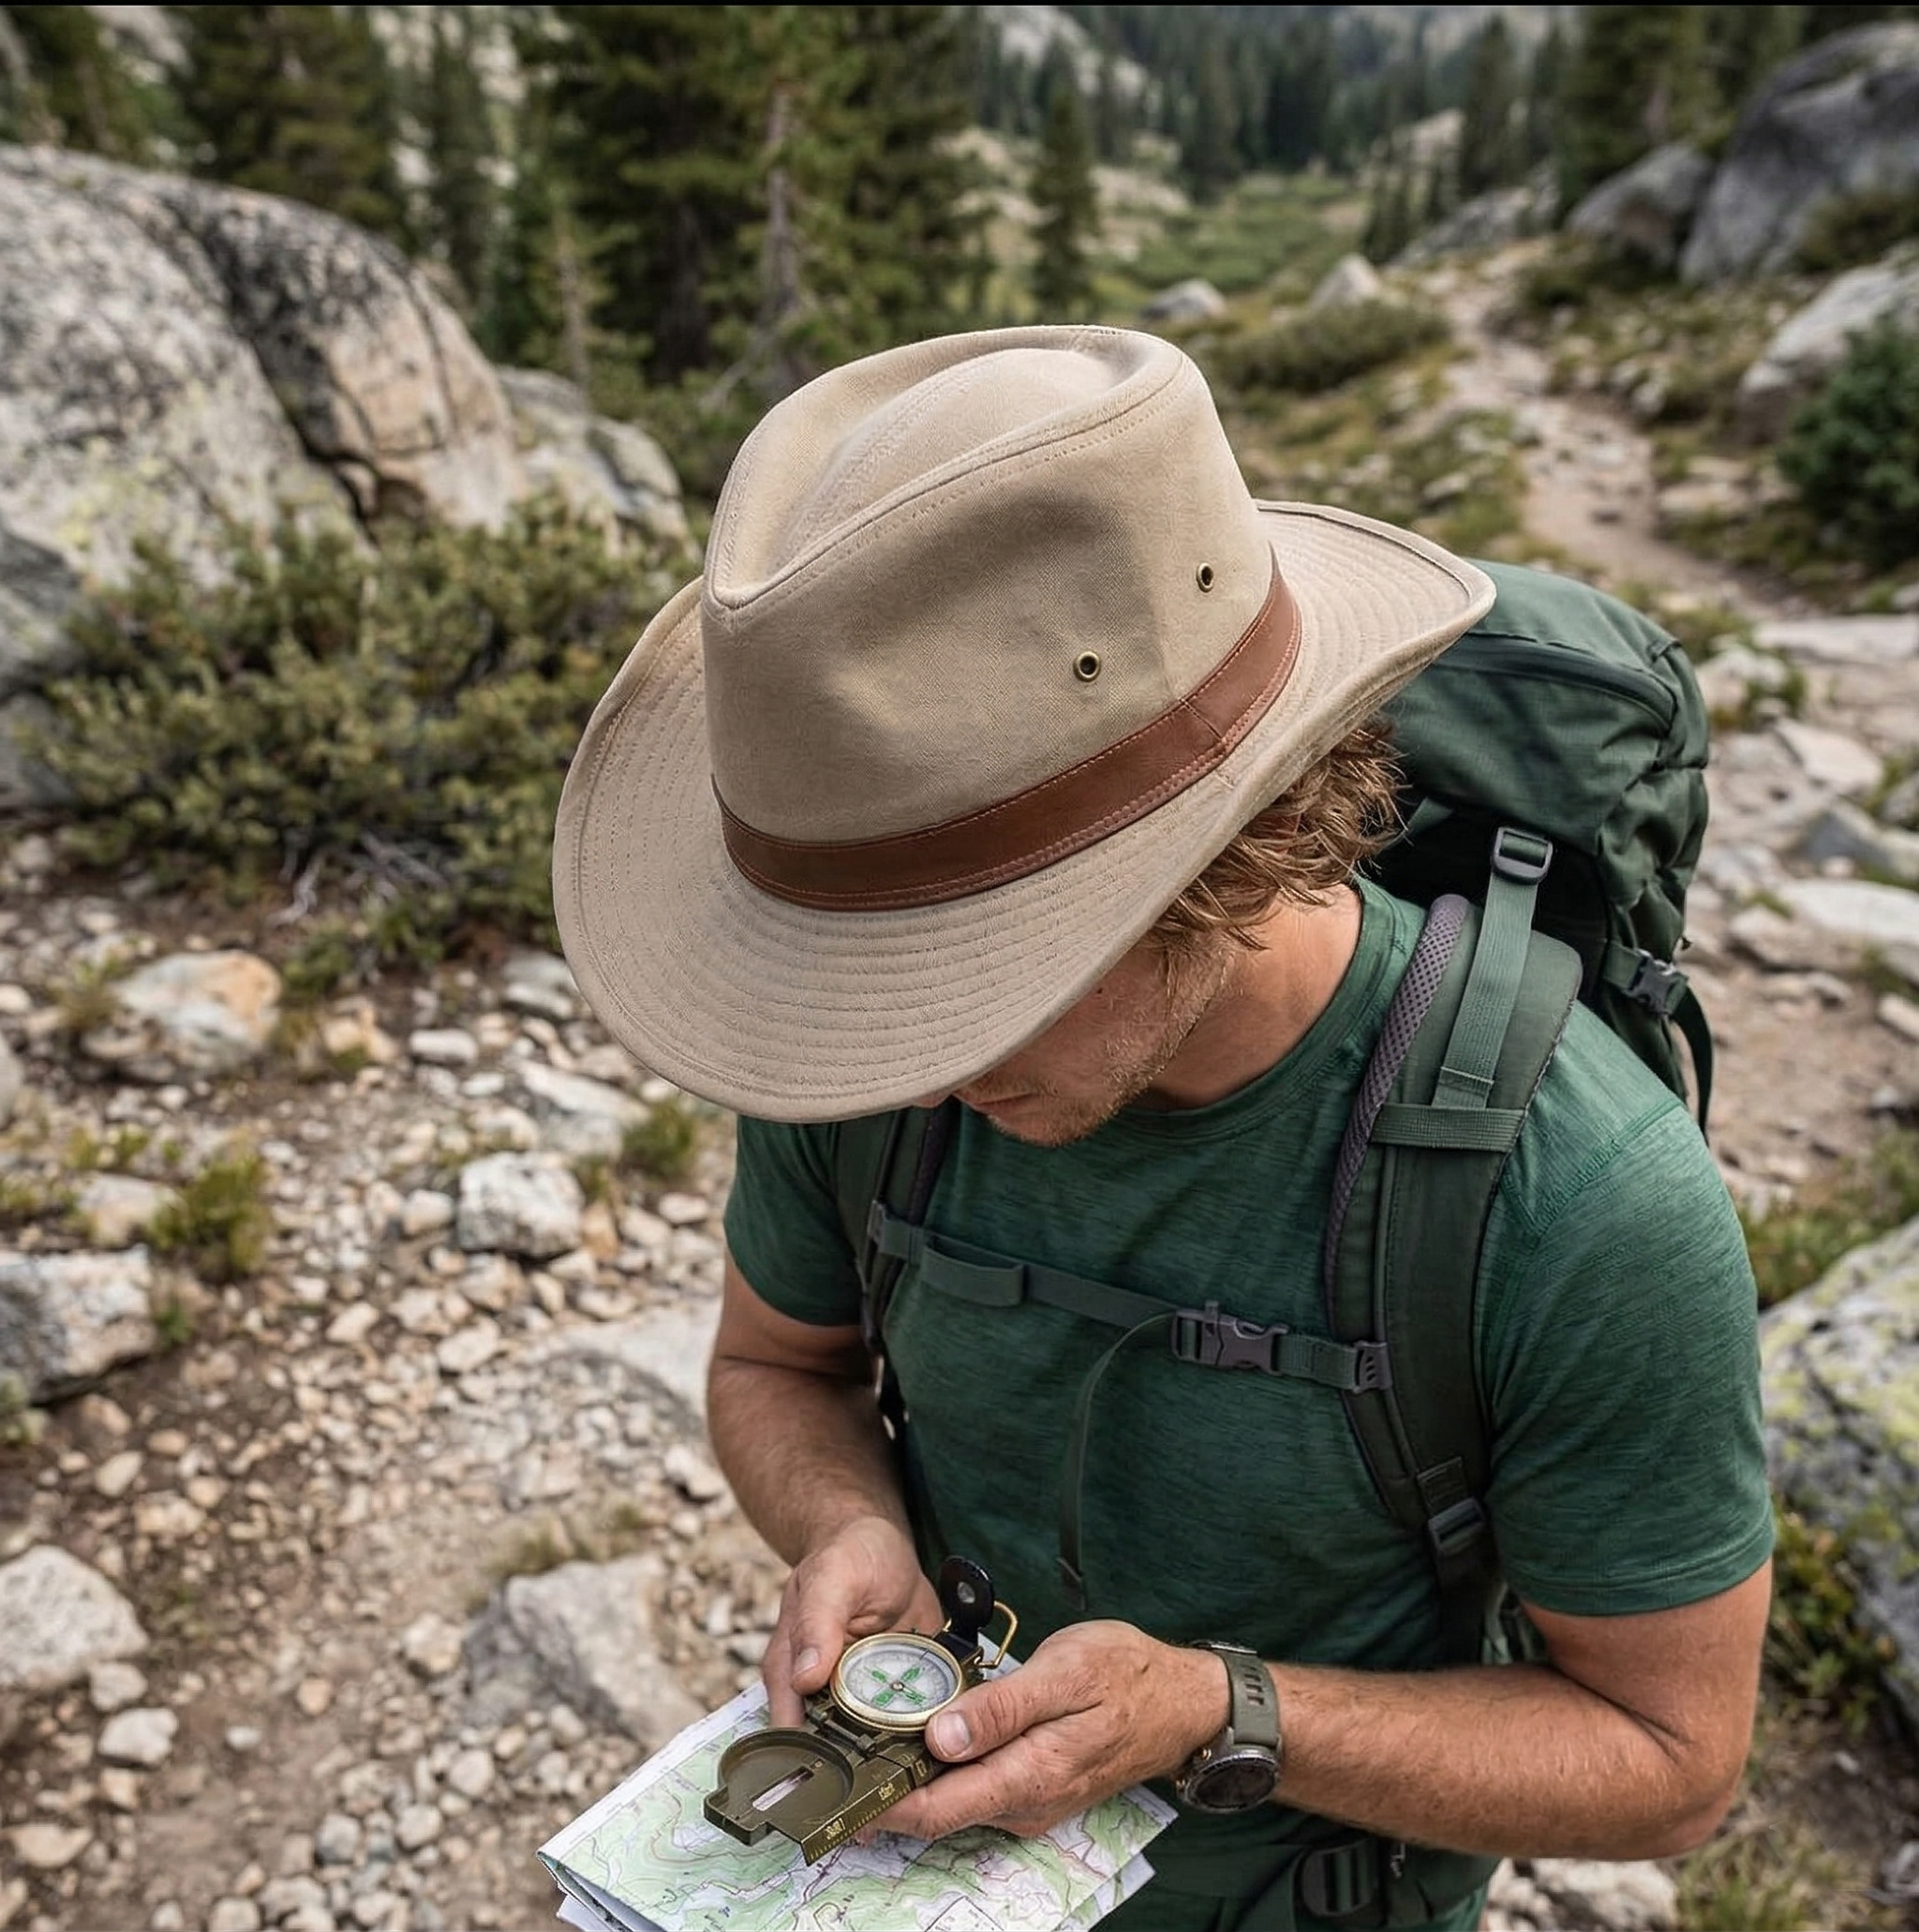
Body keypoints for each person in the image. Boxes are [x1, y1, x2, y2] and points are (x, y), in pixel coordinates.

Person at [551, 325, 1773, 1932]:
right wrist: (848, 1518)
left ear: (1232, 843)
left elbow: (1672, 1754)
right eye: (857, 987)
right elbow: (778, 1364)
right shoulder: (874, 1079)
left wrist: (1219, 1709)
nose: (898, 1059)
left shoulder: (1583, 1205)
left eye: (962, 985)